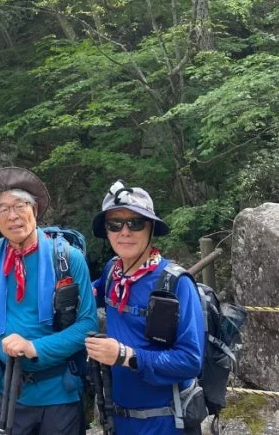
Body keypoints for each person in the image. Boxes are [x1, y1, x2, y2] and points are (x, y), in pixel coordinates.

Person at [0, 167, 98, 435]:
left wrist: (34, 347)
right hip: (8, 390)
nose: (12, 215)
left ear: (34, 209)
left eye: (19, 205)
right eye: (3, 209)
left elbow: (87, 325)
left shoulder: (69, 258)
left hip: (60, 393)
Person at [86, 181, 205, 434]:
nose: (125, 232)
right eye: (115, 224)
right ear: (106, 231)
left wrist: (125, 356)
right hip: (118, 420)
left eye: (136, 223)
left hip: (166, 422)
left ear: (151, 228)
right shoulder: (112, 272)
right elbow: (89, 295)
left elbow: (190, 361)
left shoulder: (176, 283)